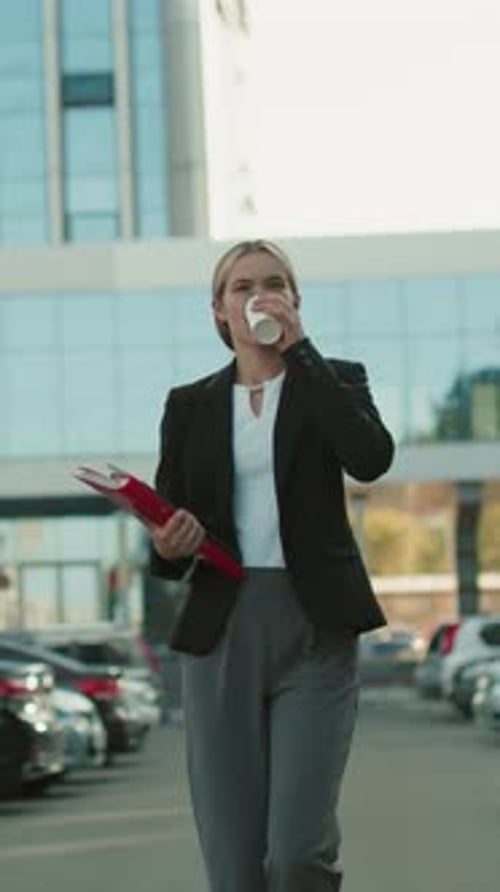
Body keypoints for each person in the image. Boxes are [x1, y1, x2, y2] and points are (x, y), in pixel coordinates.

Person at [149, 239, 395, 892]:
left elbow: (370, 458)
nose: (260, 294)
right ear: (219, 311)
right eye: (243, 286)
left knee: (296, 853)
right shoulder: (189, 405)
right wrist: (169, 543)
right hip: (220, 629)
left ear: (293, 301)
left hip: (315, 624)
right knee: (233, 865)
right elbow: (165, 529)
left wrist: (301, 353)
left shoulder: (333, 379)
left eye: (275, 282)